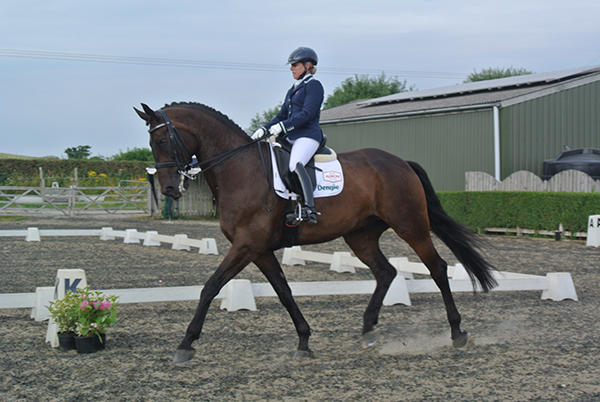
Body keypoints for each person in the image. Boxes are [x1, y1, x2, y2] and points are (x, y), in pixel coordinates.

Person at [252, 47, 324, 225]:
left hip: (308, 135)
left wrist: (283, 127)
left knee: (294, 164)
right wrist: (265, 128)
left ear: (307, 66)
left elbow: (307, 113)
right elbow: (281, 116)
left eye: (295, 65)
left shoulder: (314, 86)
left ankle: (309, 209)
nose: (291, 68)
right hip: (292, 136)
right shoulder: (293, 89)